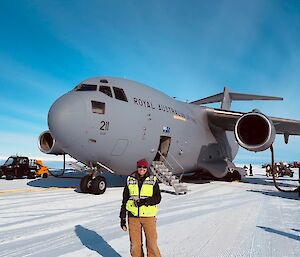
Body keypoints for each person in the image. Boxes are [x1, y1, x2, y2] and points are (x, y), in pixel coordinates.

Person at [120, 159, 162, 257]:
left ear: (147, 168)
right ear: (137, 168)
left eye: (144, 167)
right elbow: (125, 199)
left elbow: (158, 198)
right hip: (133, 217)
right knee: (135, 245)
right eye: (140, 167)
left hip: (149, 217)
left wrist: (145, 202)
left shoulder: (152, 180)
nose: (142, 169)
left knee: (152, 244)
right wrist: (122, 217)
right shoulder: (130, 180)